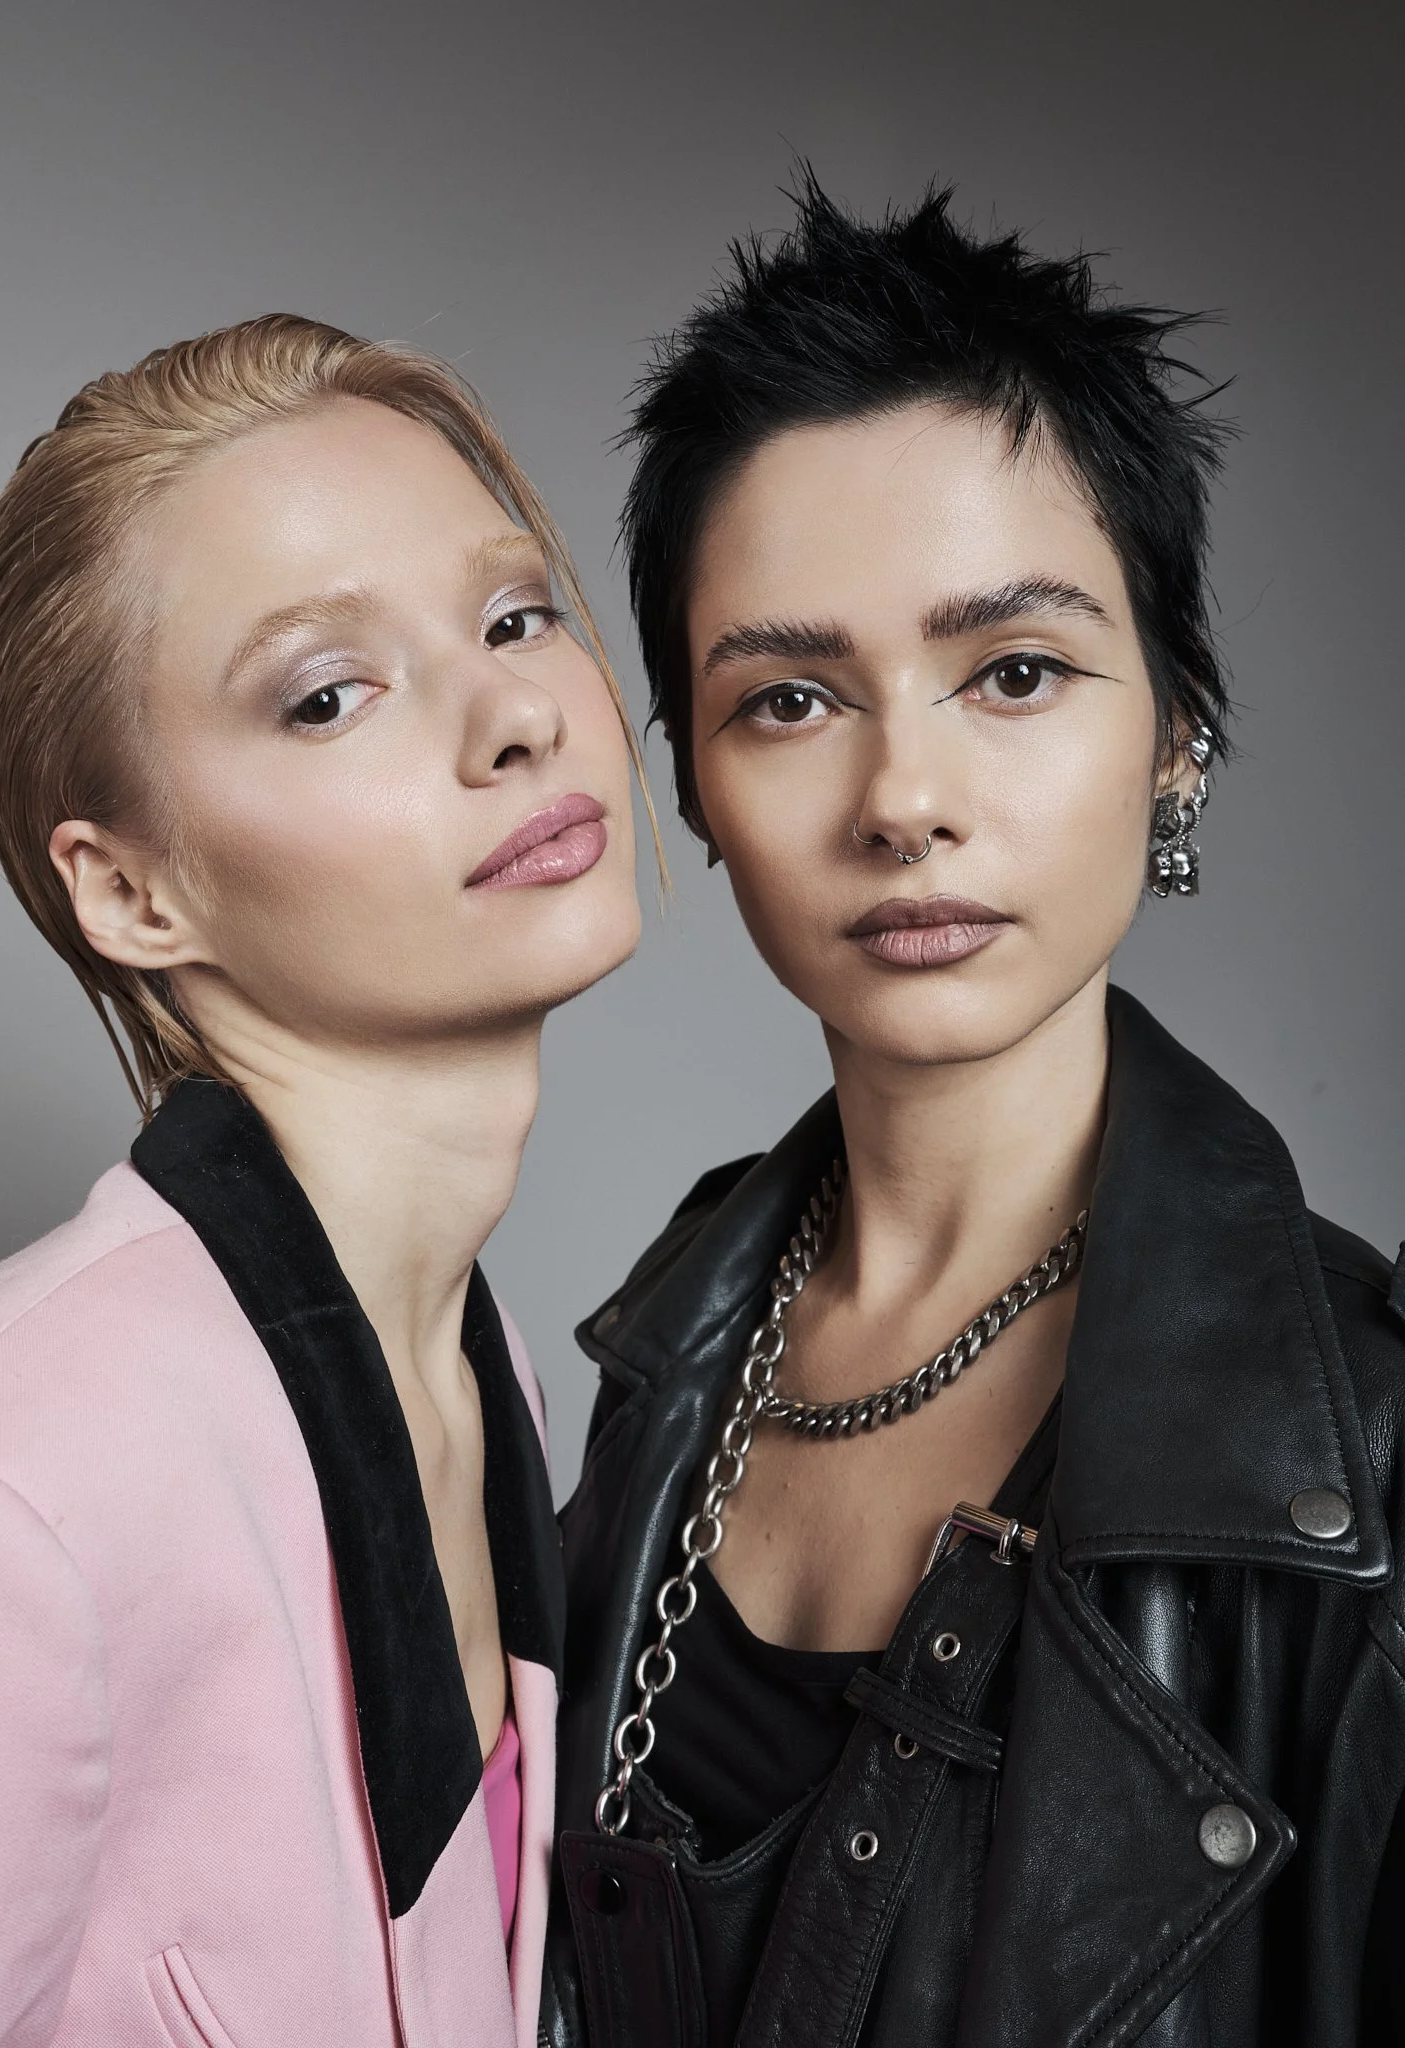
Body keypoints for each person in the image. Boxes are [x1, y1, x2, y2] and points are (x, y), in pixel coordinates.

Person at [543, 182, 1405, 2046]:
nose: (903, 796)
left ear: (1177, 728)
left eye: (1014, 672)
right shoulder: (665, 1347)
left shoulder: (1366, 1452)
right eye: (787, 699)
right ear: (692, 780)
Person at [0, 315, 651, 2048]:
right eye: (327, 694)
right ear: (136, 892)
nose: (514, 714)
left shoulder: (485, 1368)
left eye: (516, 614)